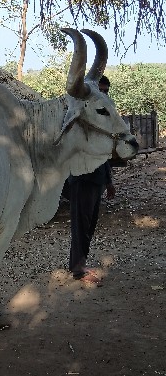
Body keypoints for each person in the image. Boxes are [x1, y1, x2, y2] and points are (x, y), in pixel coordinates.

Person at [68, 75, 115, 284]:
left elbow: (104, 155)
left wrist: (109, 182)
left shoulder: (100, 122)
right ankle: (78, 269)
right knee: (81, 225)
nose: (104, 95)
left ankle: (81, 263)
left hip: (96, 181)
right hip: (82, 180)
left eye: (106, 91)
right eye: (101, 91)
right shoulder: (80, 119)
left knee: (89, 224)